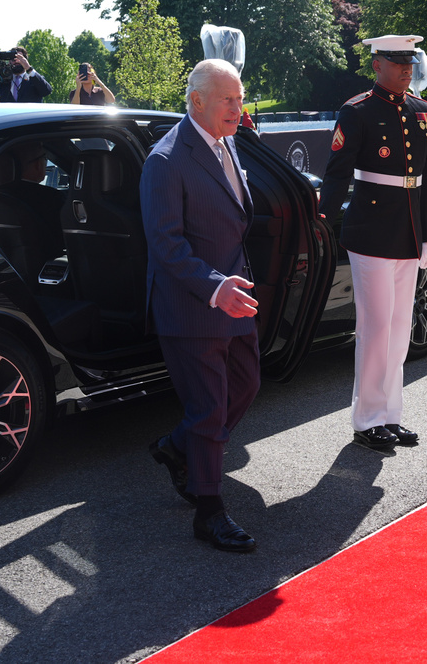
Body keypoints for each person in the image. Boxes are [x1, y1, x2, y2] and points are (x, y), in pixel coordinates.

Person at [142, 59, 261, 553]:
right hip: (193, 304)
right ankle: (209, 511)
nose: (239, 108)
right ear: (197, 102)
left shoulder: (226, 143)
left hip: (234, 300)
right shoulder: (166, 161)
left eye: (240, 98)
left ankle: (178, 447)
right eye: (229, 100)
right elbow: (166, 245)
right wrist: (216, 288)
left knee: (248, 384)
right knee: (210, 406)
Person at [318, 34, 427, 451]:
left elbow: (426, 184)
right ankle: (367, 420)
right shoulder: (357, 111)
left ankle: (390, 415)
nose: (406, 69)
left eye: (410, 61)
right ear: (377, 66)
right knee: (375, 327)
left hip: (406, 232)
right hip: (370, 232)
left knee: (400, 329)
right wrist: (321, 220)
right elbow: (337, 174)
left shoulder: (422, 112)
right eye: (396, 61)